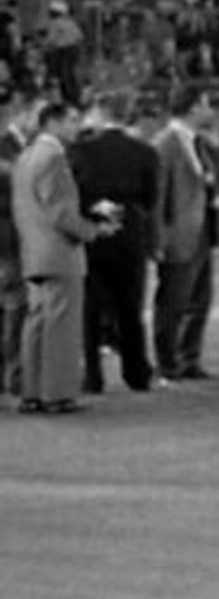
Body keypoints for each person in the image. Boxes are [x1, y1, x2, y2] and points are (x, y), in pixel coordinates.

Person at [69, 94, 162, 397]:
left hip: (93, 233)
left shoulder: (80, 151)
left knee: (91, 308)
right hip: (129, 234)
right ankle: (136, 372)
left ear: (99, 113)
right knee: (130, 307)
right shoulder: (145, 152)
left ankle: (92, 375)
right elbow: (150, 198)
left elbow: (73, 194)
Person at [15, 97, 94, 416]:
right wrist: (92, 231)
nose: (78, 126)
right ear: (54, 122)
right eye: (72, 120)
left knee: (36, 325)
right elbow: (61, 213)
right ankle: (57, 395)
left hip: (33, 252)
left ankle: (32, 392)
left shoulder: (26, 156)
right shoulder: (54, 158)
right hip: (58, 254)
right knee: (61, 327)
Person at [150, 93, 219, 384]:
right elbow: (157, 197)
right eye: (206, 105)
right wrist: (158, 238)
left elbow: (207, 179)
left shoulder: (198, 142)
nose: (210, 110)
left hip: (202, 231)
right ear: (192, 109)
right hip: (177, 235)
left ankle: (189, 357)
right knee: (173, 300)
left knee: (201, 299)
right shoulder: (165, 144)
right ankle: (167, 361)